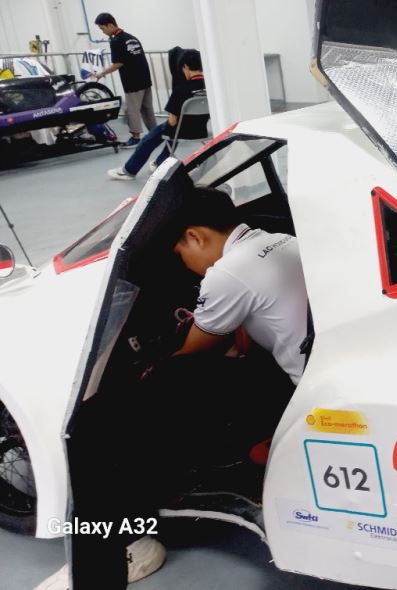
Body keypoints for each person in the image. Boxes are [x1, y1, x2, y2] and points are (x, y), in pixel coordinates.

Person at [35, 187, 309, 590]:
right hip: (305, 375)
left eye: (180, 252)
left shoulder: (228, 271)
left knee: (99, 424)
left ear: (195, 236)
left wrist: (149, 368)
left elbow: (191, 352)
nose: (183, 262)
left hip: (297, 395)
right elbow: (248, 332)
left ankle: (124, 547)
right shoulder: (280, 240)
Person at [107, 48, 205, 181]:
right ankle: (160, 163)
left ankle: (129, 171)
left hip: (181, 131)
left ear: (186, 66)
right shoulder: (210, 86)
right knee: (173, 133)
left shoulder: (181, 90)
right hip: (201, 130)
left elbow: (172, 121)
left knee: (148, 140)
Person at [92, 13, 154, 146]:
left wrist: (102, 73)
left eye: (102, 28)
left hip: (132, 81)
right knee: (147, 109)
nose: (103, 32)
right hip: (145, 79)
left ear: (110, 25)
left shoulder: (116, 41)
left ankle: (135, 137)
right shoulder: (131, 37)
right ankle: (156, 133)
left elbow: (118, 63)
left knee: (132, 110)